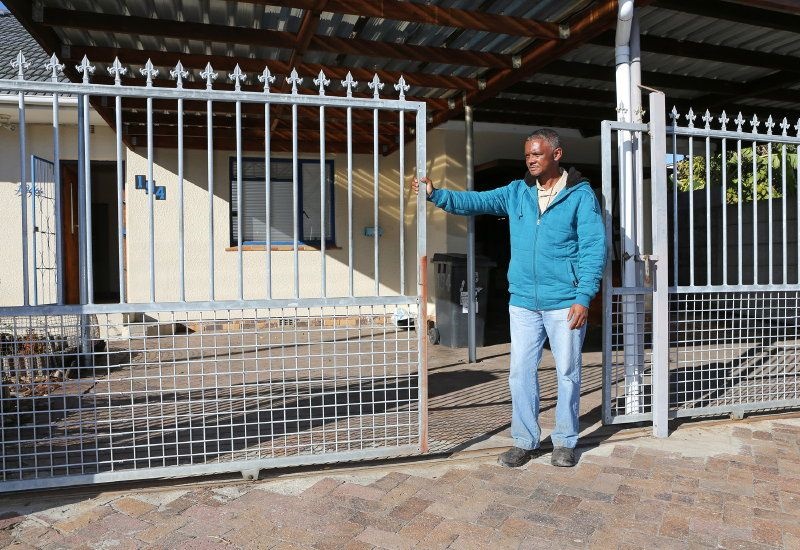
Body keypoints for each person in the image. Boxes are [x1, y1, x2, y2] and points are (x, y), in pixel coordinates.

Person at [412, 128, 606, 468]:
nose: (530, 160)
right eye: (527, 155)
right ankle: (525, 440)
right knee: (520, 373)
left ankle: (564, 441)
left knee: (568, 373)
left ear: (557, 155)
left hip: (565, 301)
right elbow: (477, 201)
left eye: (537, 154)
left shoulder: (580, 195)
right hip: (523, 302)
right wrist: (436, 194)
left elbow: (593, 248)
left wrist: (584, 296)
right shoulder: (517, 192)